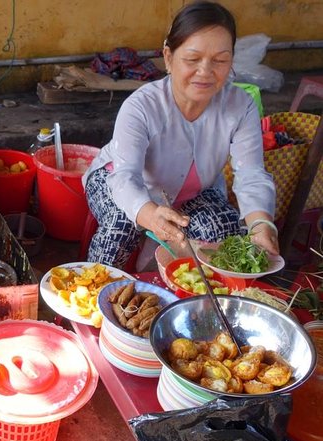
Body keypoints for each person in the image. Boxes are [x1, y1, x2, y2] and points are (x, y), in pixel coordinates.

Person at [82, 1, 279, 269]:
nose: (206, 72)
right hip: (115, 178)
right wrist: (149, 214)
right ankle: (92, 294)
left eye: (220, 60)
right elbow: (125, 176)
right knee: (121, 224)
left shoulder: (239, 105)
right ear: (168, 57)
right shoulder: (142, 106)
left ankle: (187, 301)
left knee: (224, 231)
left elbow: (251, 174)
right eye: (193, 59)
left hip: (195, 190)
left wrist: (260, 225)